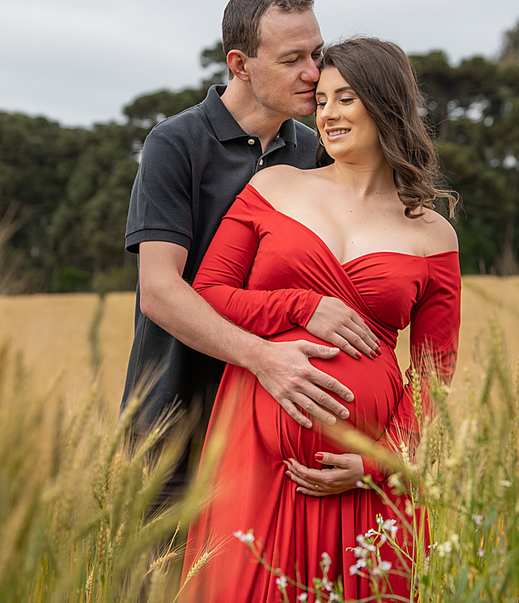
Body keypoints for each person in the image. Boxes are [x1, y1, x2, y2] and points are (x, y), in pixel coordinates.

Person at [180, 37, 461, 602]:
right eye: (323, 99)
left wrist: (379, 463)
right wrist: (301, 305)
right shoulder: (275, 188)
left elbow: (435, 372)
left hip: (364, 476)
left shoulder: (433, 233)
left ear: (385, 106)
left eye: (346, 98)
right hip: (258, 453)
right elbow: (209, 292)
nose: (328, 114)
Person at [121, 0, 380, 508]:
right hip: (175, 424)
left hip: (276, 424)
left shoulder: (313, 150)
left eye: (317, 54)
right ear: (240, 64)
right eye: (292, 59)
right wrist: (264, 358)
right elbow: (161, 291)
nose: (314, 73)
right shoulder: (176, 144)